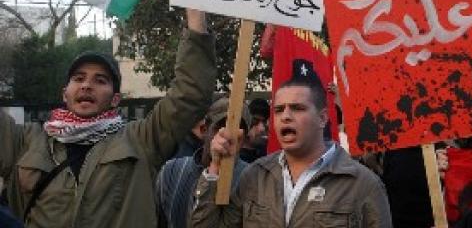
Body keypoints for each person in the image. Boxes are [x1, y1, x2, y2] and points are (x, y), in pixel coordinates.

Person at [0, 8, 216, 228]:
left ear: (115, 99)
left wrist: (196, 16)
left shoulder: (140, 140)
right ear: (65, 93)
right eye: (79, 78)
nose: (86, 85)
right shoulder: (26, 141)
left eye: (100, 80)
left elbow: (190, 94)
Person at [190, 59, 392, 227]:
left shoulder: (362, 184)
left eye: (297, 108)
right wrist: (215, 167)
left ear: (322, 118)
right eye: (278, 110)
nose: (285, 116)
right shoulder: (255, 177)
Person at [156, 96, 252, 228]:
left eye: (237, 130)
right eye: (220, 127)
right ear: (204, 130)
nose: (226, 137)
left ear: (244, 139)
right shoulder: (172, 171)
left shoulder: (251, 179)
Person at [239, 98, 269, 163]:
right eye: (255, 121)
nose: (262, 129)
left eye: (264, 122)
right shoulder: (234, 158)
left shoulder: (268, 153)